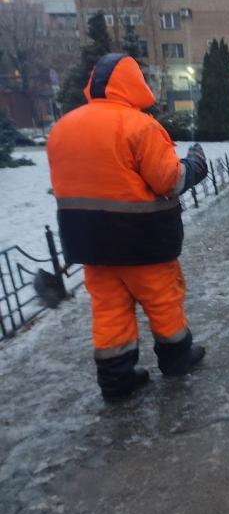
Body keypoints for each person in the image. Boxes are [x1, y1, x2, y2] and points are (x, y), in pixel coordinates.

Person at [46, 53, 208, 401]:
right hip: (143, 242)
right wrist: (196, 163)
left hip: (90, 244)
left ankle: (116, 379)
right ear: (135, 84)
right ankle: (177, 358)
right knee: (163, 300)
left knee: (109, 308)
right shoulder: (139, 126)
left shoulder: (62, 128)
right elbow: (169, 179)